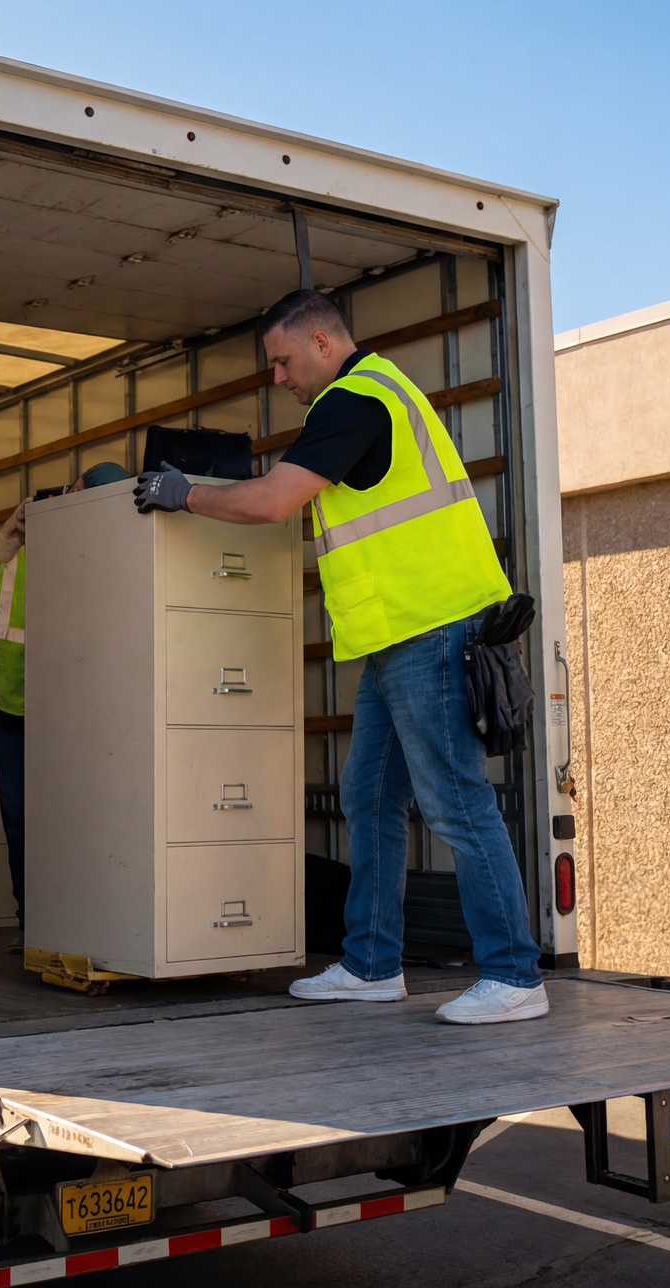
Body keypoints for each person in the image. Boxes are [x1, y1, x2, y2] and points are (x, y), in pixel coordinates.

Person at [132, 289, 546, 1024]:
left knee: (456, 804)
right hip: (396, 637)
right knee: (369, 796)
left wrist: (183, 493)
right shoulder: (379, 392)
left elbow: (271, 502)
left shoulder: (353, 402)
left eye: (283, 361)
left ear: (322, 344)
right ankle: (371, 965)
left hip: (432, 628)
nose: (279, 378)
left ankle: (515, 976)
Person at [0, 461, 132, 951]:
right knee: (21, 818)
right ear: (71, 492)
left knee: (83, 817)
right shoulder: (16, 542)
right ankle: (31, 921)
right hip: (11, 707)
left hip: (78, 715)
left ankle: (84, 919)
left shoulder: (112, 547)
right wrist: (4, 542)